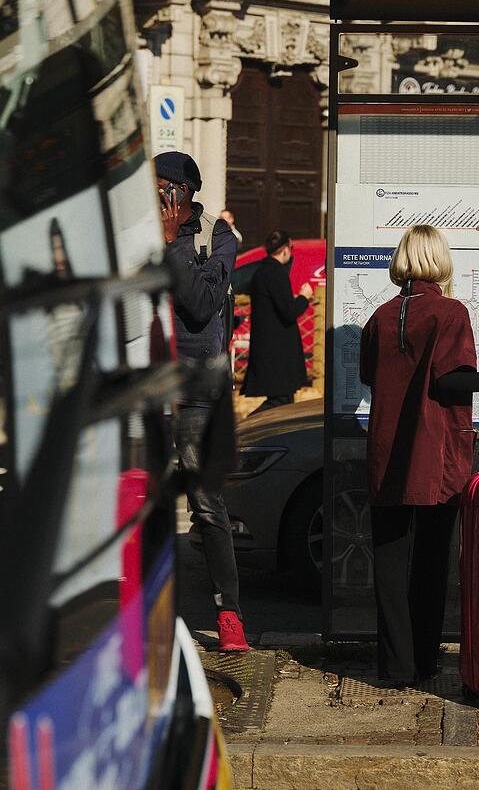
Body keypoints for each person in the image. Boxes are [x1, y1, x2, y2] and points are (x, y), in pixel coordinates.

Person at [359, 224, 479, 684]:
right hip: (435, 455)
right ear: (439, 261)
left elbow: (369, 377)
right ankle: (423, 661)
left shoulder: (379, 316)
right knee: (432, 560)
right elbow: (452, 378)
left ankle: (395, 667)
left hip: (386, 453)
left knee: (390, 563)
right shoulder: (450, 312)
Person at [154, 150, 249, 653]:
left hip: (196, 389)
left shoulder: (217, 236)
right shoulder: (133, 234)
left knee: (206, 504)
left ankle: (228, 612)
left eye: (162, 187)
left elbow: (202, 303)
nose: (153, 196)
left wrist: (172, 244)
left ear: (183, 192)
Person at [241, 229, 313, 413]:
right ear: (285, 249)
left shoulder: (261, 272)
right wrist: (304, 297)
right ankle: (249, 426)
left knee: (282, 401)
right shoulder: (276, 273)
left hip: (269, 348)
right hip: (278, 352)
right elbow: (289, 311)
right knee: (280, 401)